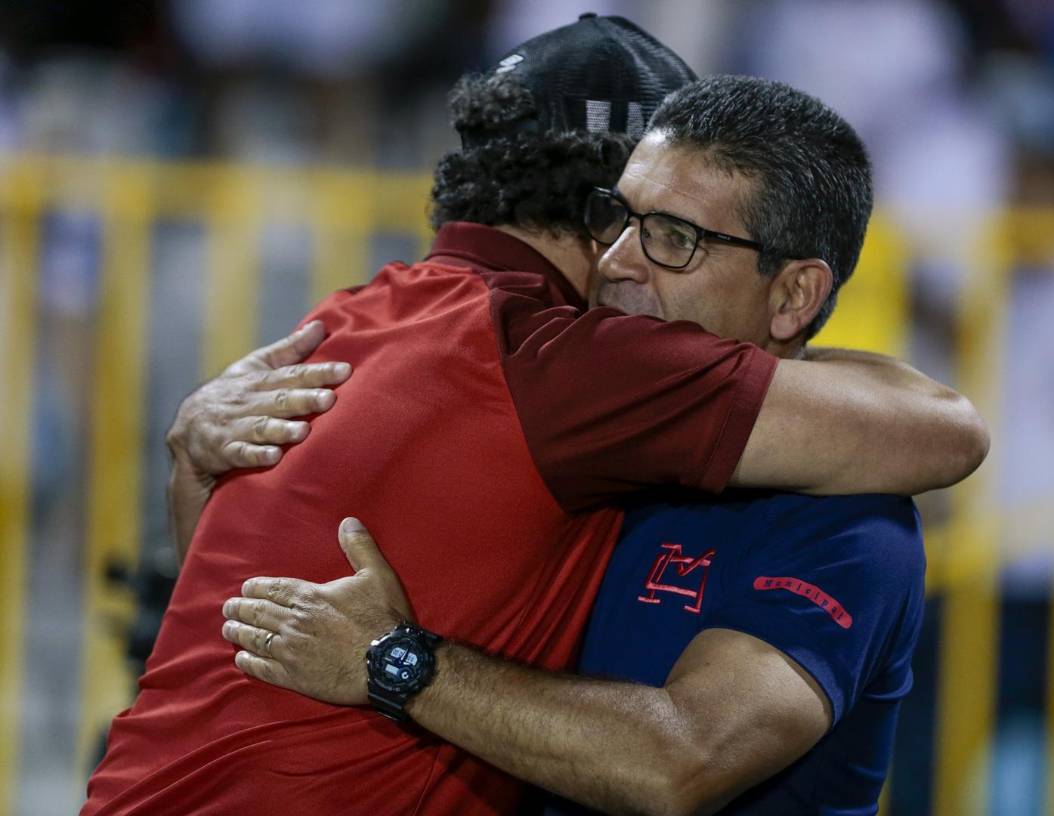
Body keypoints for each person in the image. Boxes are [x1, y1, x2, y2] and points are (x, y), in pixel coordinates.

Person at [83, 16, 985, 816]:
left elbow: (680, 761)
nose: (628, 259)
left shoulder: (347, 325)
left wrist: (396, 659)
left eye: (672, 236)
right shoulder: (568, 370)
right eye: (618, 221)